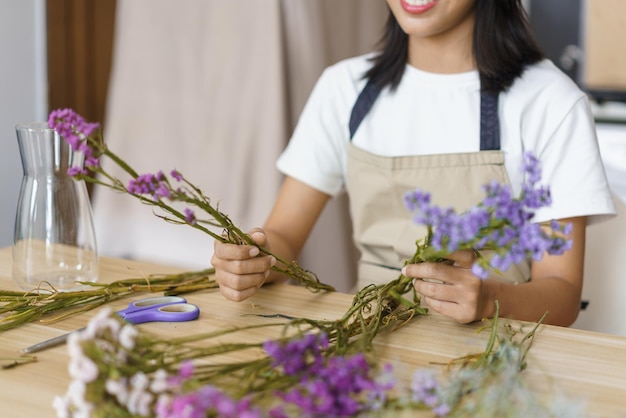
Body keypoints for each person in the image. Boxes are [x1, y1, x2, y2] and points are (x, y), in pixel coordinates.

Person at [211, 0, 615, 327]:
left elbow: (561, 294)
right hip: (365, 339)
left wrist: (489, 298)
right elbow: (283, 234)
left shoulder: (551, 102)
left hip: (498, 356)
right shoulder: (343, 89)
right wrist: (254, 260)